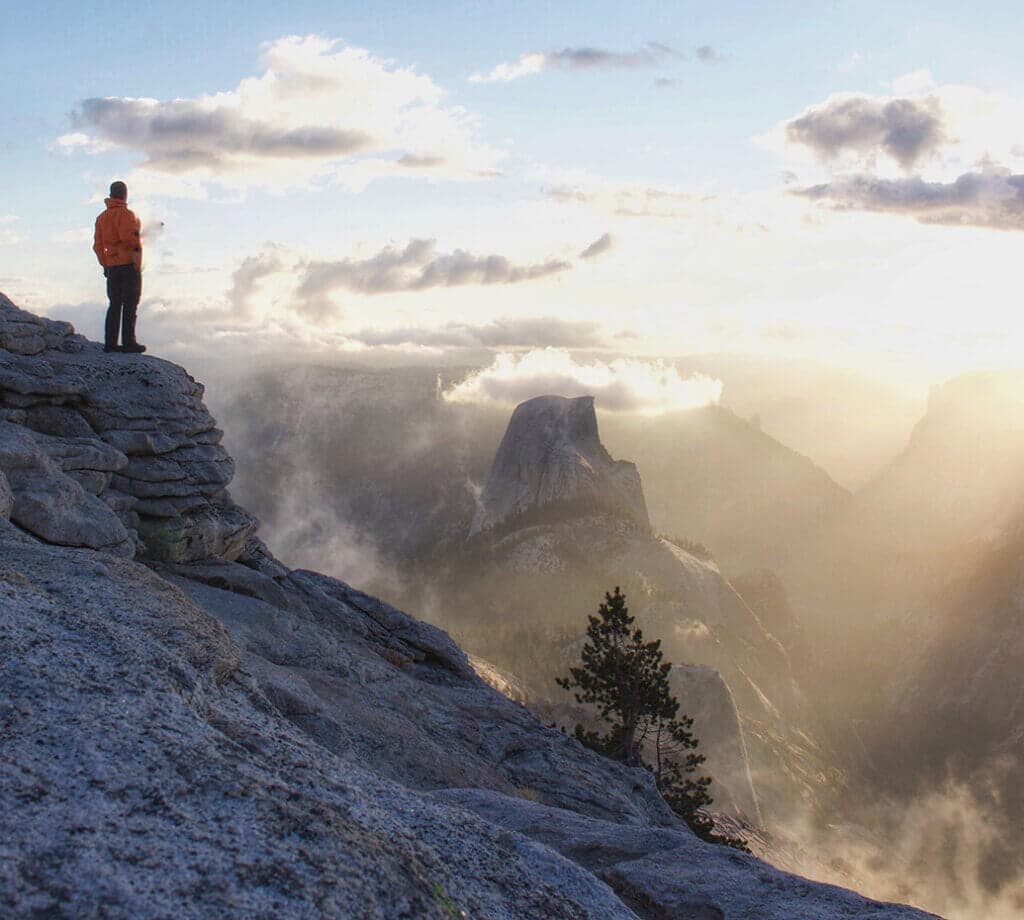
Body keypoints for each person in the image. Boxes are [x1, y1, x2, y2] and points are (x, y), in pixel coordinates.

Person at [93, 180, 146, 353]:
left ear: (111, 194)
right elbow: (128, 239)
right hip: (129, 265)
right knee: (130, 304)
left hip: (112, 268)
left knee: (114, 304)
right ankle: (129, 342)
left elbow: (98, 246)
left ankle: (110, 344)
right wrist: (138, 234)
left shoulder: (101, 218)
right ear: (124, 194)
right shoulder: (126, 215)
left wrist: (106, 264)